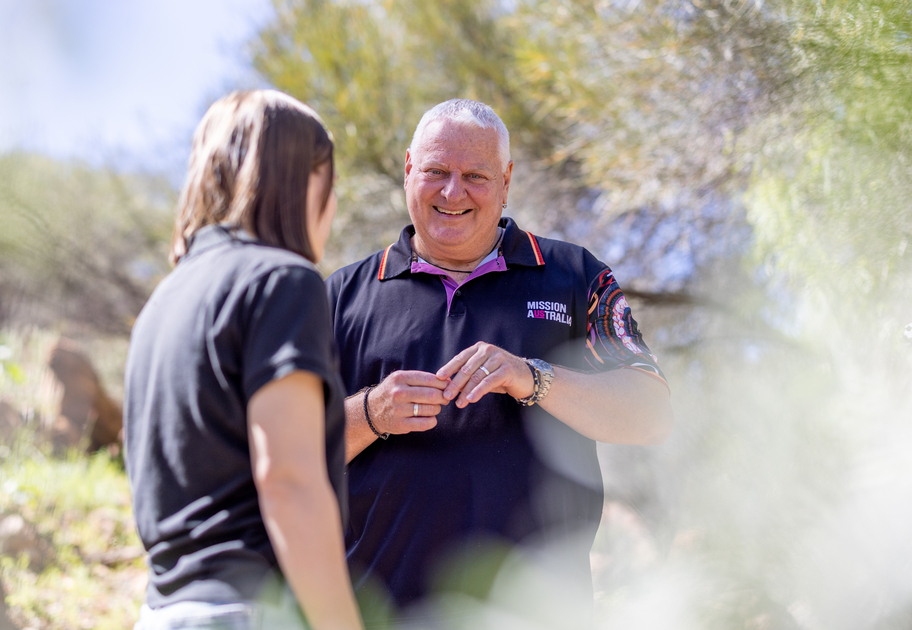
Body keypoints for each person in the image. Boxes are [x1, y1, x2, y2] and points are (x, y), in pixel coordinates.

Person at [326, 99, 674, 624]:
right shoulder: (342, 296)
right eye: (436, 172)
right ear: (407, 171)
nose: (452, 192)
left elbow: (652, 416)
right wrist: (372, 412)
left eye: (475, 176)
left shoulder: (574, 276)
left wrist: (534, 378)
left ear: (507, 180)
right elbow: (287, 457)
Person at [124, 90, 363, 630]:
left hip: (163, 612)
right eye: (330, 182)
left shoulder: (162, 303)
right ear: (302, 179)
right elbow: (288, 480)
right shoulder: (283, 282)